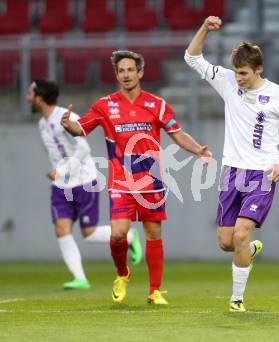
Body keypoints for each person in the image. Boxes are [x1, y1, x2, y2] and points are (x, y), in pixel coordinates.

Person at [60, 50, 212, 305]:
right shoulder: (105, 106)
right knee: (119, 233)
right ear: (117, 75)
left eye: (131, 70)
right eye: (122, 71)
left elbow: (177, 133)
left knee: (153, 233)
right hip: (121, 180)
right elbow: (81, 129)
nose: (126, 75)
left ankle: (154, 291)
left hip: (151, 181)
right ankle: (122, 274)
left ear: (140, 73)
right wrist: (68, 124)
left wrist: (198, 149)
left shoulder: (157, 104)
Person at [185, 16, 279, 312]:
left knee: (241, 233)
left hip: (263, 174)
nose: (238, 78)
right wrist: (204, 28)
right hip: (231, 172)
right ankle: (249, 250)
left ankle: (237, 299)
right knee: (227, 242)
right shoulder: (227, 82)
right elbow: (192, 57)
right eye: (236, 72)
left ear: (258, 69)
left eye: (243, 73)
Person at [26, 79, 142, 290]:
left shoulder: (65, 118)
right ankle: (80, 278)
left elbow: (83, 149)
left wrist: (61, 171)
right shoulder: (42, 123)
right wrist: (59, 177)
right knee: (61, 229)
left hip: (84, 180)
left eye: (30, 94)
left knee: (88, 233)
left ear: (40, 97)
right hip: (61, 186)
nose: (27, 98)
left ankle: (131, 236)